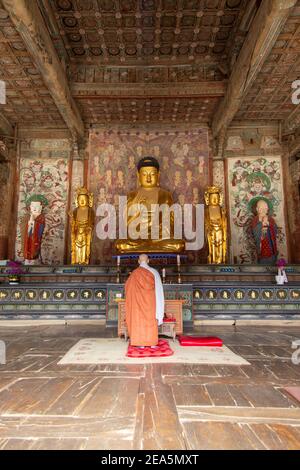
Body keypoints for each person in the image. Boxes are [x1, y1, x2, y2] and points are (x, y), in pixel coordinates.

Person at [115, 156, 185, 253]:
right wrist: (137, 205)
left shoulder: (165, 195)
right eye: (144, 174)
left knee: (178, 245)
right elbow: (126, 223)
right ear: (138, 175)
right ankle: (148, 246)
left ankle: (149, 246)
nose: (148, 178)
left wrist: (161, 233)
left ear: (158, 175)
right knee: (121, 244)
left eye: (152, 174)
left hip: (160, 238)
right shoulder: (132, 195)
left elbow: (170, 222)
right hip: (137, 238)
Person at [125, 254, 164, 347]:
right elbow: (159, 290)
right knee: (151, 320)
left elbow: (127, 288)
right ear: (148, 261)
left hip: (138, 303)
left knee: (139, 320)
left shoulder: (134, 273)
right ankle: (152, 343)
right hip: (151, 302)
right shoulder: (154, 272)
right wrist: (160, 307)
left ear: (138, 261)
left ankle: (140, 343)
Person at [251, 199, 278, 265]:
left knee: (272, 260)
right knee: (263, 262)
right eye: (261, 208)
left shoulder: (270, 219)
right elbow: (255, 232)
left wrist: (268, 223)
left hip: (270, 244)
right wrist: (262, 224)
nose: (264, 210)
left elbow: (275, 230)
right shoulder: (255, 220)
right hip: (261, 245)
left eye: (265, 208)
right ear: (257, 209)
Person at [23, 194, 48, 264]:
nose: (34, 208)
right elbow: (25, 227)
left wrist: (34, 223)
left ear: (41, 207)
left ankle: (34, 258)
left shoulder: (41, 217)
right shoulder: (28, 216)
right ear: (30, 207)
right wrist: (30, 222)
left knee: (35, 246)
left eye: (37, 206)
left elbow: (41, 226)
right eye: (33, 206)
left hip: (36, 236)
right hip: (29, 235)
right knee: (27, 244)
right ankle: (27, 258)